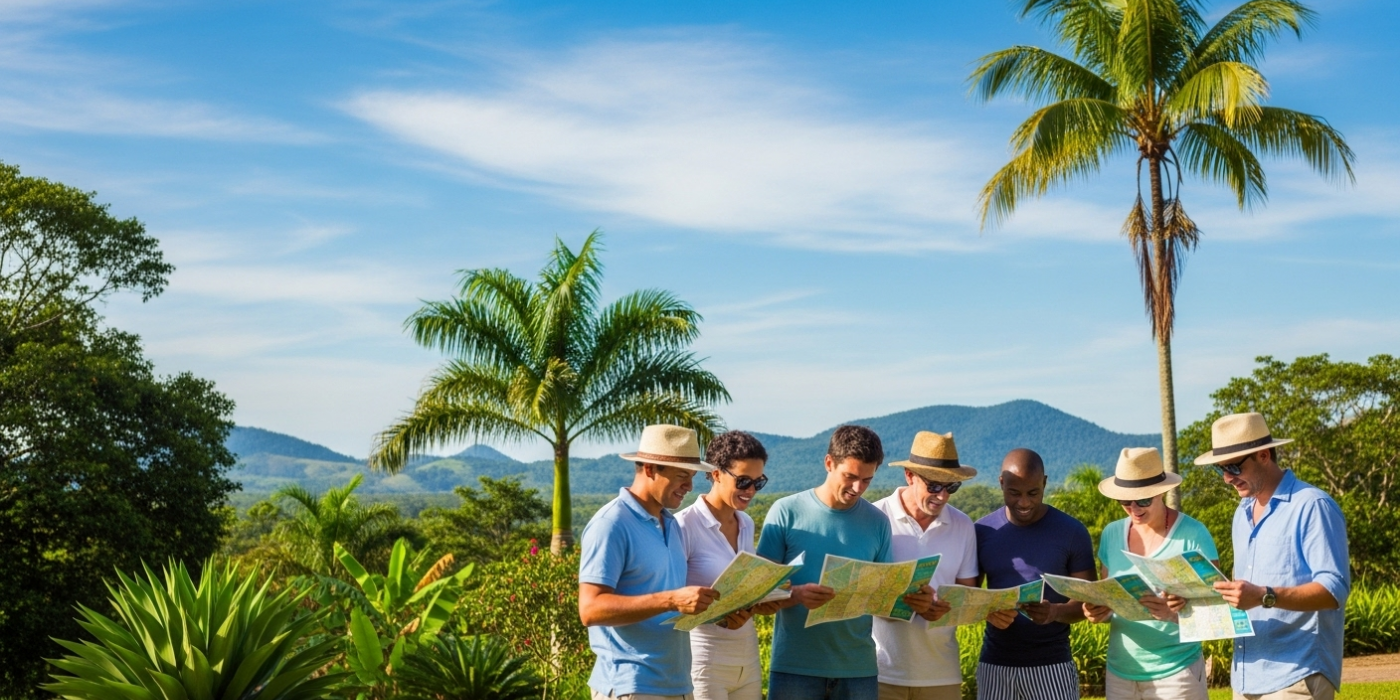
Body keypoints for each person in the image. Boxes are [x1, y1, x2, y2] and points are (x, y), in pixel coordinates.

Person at [756, 425, 936, 700]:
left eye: (867, 480)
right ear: (829, 463)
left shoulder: (877, 522)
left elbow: (883, 600)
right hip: (795, 668)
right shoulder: (786, 512)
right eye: (850, 477)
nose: (858, 488)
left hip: (859, 670)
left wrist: (915, 599)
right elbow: (757, 597)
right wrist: (796, 595)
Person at [1194, 413, 1350, 700]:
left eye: (1233, 467)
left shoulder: (1313, 505)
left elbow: (1334, 590)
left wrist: (1265, 595)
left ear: (1264, 456)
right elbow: (1245, 594)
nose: (1227, 478)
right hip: (1245, 675)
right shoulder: (1241, 514)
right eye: (1221, 470)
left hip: (1298, 673)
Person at [578, 424, 722, 700]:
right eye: (682, 476)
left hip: (678, 685)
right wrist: (671, 600)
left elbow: (669, 600)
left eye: (692, 477)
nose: (689, 486)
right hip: (631, 686)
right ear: (650, 469)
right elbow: (590, 608)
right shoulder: (611, 525)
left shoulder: (671, 524)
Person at [1083, 447, 1218, 700]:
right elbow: (1110, 599)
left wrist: (1171, 615)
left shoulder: (1194, 535)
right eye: (1125, 501)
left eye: (1143, 500)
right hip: (1120, 673)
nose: (1134, 508)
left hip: (1177, 674)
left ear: (1162, 491)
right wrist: (1098, 611)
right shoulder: (1112, 534)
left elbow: (1219, 615)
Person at [975, 448, 1095, 700]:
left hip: (1052, 667)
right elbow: (969, 597)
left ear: (1045, 483)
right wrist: (987, 611)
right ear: (1001, 483)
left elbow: (1087, 603)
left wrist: (1054, 612)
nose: (1024, 502)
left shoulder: (1072, 532)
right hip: (994, 666)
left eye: (1033, 493)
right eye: (1014, 493)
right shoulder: (982, 531)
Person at [873, 431, 981, 700]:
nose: (943, 496)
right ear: (909, 476)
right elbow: (858, 594)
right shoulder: (875, 517)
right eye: (934, 486)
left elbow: (967, 596)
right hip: (880, 672)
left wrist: (942, 610)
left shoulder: (963, 525)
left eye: (951, 487)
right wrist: (900, 603)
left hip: (941, 674)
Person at [675, 430, 771, 700]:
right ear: (716, 474)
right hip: (704, 659)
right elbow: (672, 600)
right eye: (742, 481)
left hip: (747, 657)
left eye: (758, 482)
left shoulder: (746, 523)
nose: (750, 490)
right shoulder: (684, 525)